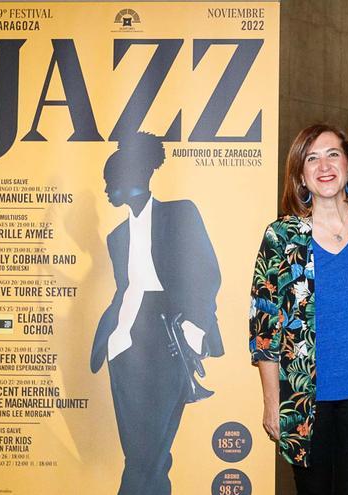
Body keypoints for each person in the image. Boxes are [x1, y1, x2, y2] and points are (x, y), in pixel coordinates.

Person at [249, 124, 348, 495]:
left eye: (333, 154)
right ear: (301, 175)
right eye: (311, 158)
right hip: (302, 401)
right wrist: (272, 404)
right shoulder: (280, 236)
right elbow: (265, 330)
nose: (324, 165)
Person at [89, 132, 224, 495]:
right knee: (150, 457)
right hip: (123, 347)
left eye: (109, 181)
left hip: (169, 339)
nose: (105, 190)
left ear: (133, 178)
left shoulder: (180, 213)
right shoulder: (116, 236)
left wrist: (195, 332)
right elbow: (125, 289)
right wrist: (114, 339)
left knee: (145, 457)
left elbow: (206, 272)